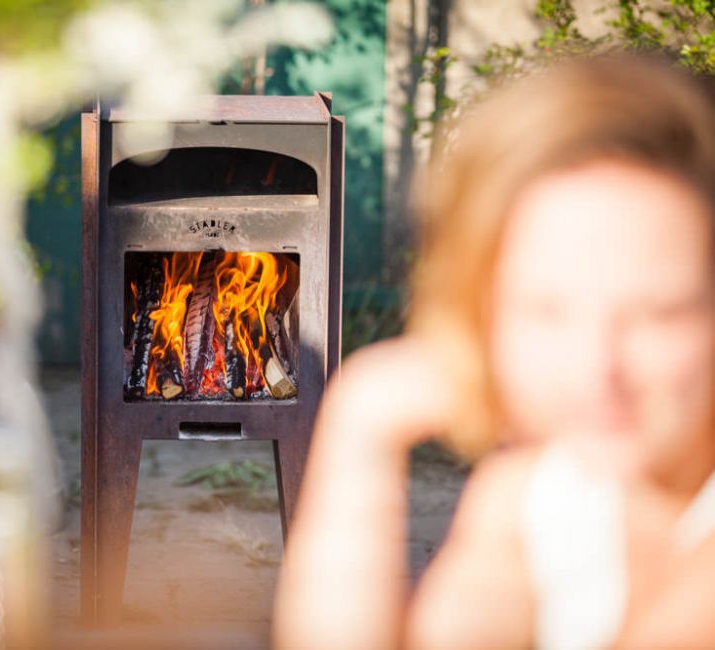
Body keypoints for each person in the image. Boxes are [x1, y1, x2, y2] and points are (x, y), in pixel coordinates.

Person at [274, 53, 715, 650]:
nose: (596, 369)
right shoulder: (536, 498)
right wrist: (360, 426)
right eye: (544, 310)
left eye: (660, 314)